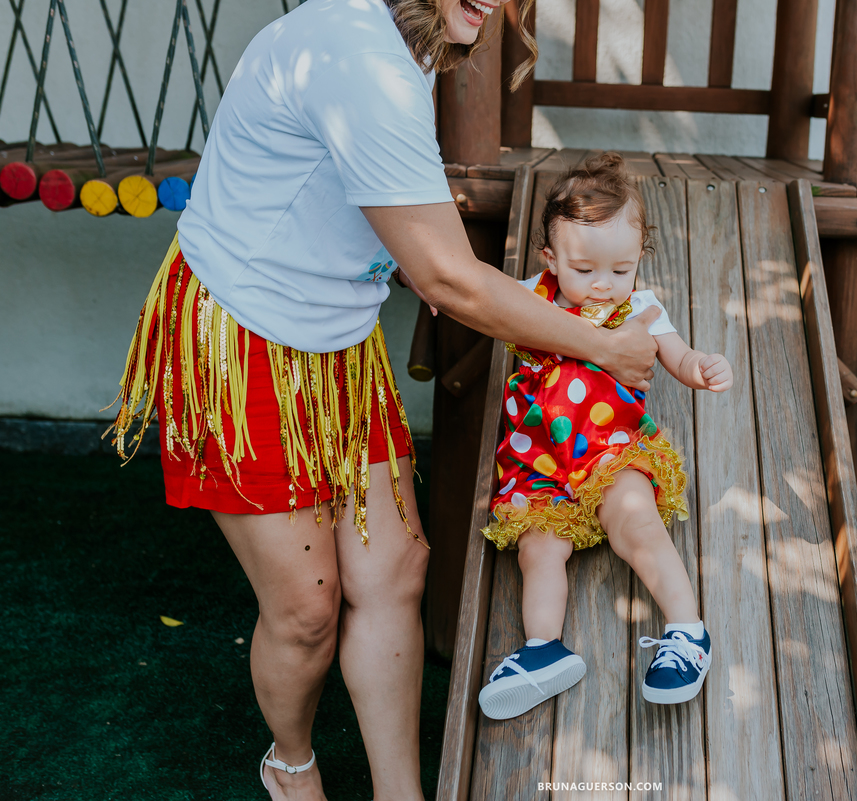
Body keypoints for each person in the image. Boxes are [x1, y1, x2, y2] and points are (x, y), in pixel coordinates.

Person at [107, 1, 662, 799]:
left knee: (397, 569)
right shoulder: (360, 59)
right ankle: (291, 762)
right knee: (307, 611)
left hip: (336, 339)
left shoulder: (402, 41)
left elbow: (356, 196)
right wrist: (604, 343)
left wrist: (400, 256)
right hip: (244, 338)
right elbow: (447, 275)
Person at [476, 154, 732, 721]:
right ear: (550, 258)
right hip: (538, 460)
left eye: (620, 270)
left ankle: (688, 633)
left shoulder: (640, 308)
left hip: (613, 450)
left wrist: (702, 366)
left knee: (636, 520)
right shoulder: (531, 297)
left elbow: (679, 357)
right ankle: (543, 649)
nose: (602, 285)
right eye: (585, 269)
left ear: (637, 261)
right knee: (538, 548)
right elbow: (479, 295)